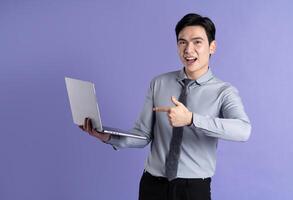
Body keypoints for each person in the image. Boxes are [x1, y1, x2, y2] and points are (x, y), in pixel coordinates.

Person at [79, 13, 251, 200]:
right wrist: (106, 136)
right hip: (152, 185)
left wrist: (192, 119)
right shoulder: (159, 83)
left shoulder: (224, 91)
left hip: (193, 188)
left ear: (212, 47)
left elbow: (243, 130)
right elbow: (143, 136)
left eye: (197, 42)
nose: (188, 49)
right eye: (182, 42)